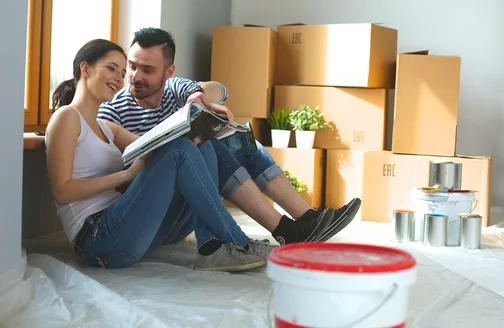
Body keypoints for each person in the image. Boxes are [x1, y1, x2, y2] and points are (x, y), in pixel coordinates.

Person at [45, 39, 335, 272]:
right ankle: (237, 242)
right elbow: (62, 191)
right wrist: (126, 174)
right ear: (85, 67)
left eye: (122, 72)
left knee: (200, 145)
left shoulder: (106, 127)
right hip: (98, 239)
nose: (120, 78)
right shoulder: (66, 118)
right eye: (113, 69)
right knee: (182, 151)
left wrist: (201, 125)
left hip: (128, 230)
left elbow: (153, 148)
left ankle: (212, 246)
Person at [97, 28, 361, 253]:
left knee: (240, 141)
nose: (135, 76)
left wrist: (199, 97)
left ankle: (306, 218)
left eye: (147, 69)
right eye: (131, 66)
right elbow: (119, 177)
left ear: (168, 72)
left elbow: (219, 89)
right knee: (209, 147)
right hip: (155, 213)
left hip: (189, 205)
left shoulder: (174, 89)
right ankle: (287, 229)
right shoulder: (112, 110)